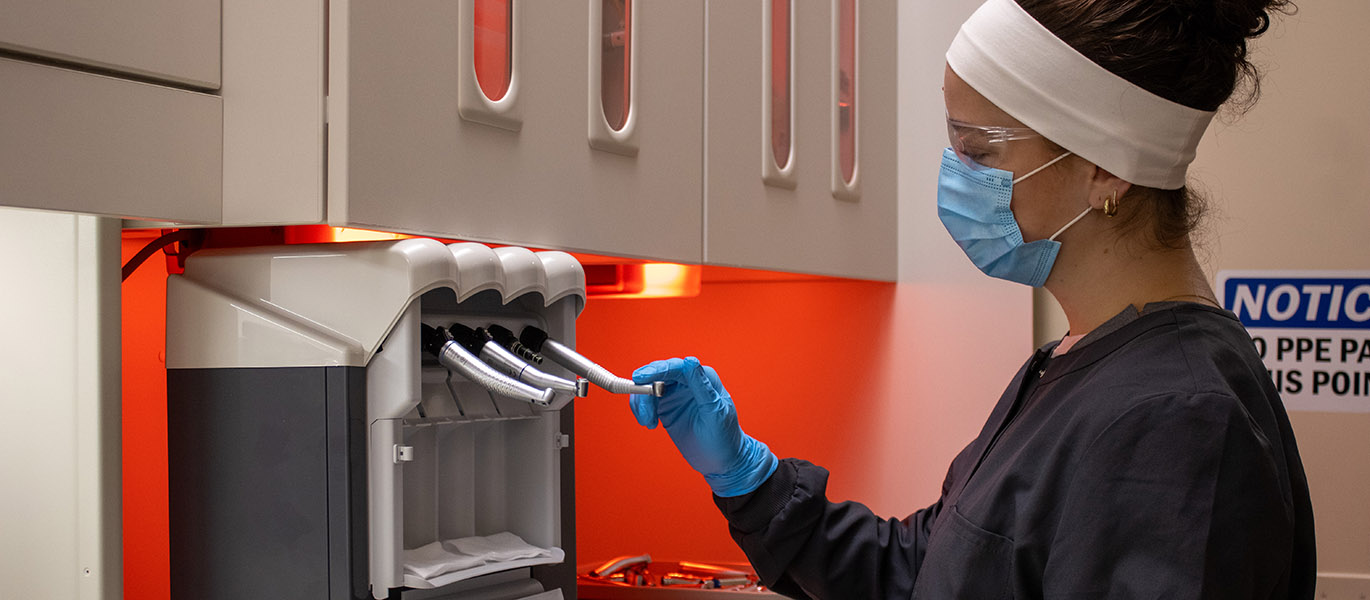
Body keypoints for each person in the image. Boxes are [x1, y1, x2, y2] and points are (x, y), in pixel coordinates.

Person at [628, 0, 1316, 597]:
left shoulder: (1174, 421)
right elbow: (928, 570)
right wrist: (749, 475)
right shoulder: (1077, 364)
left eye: (980, 152)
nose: (955, 178)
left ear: (1105, 168)